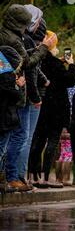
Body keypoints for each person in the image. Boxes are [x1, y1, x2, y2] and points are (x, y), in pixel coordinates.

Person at [0, 4, 55, 192]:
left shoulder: (8, 35)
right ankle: (11, 177)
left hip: (12, 93)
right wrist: (45, 48)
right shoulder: (14, 40)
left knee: (11, 137)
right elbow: (28, 64)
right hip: (13, 95)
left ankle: (7, 178)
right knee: (16, 137)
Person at [28, 31, 75, 189]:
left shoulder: (39, 60)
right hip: (56, 109)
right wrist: (71, 64)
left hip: (41, 106)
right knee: (52, 141)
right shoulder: (56, 64)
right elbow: (69, 80)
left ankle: (32, 176)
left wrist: (60, 61)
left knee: (38, 141)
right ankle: (45, 177)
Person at [0, 46, 26, 193]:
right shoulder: (7, 76)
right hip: (5, 119)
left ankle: (3, 181)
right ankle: (4, 180)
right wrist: (18, 86)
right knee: (1, 149)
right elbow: (16, 97)